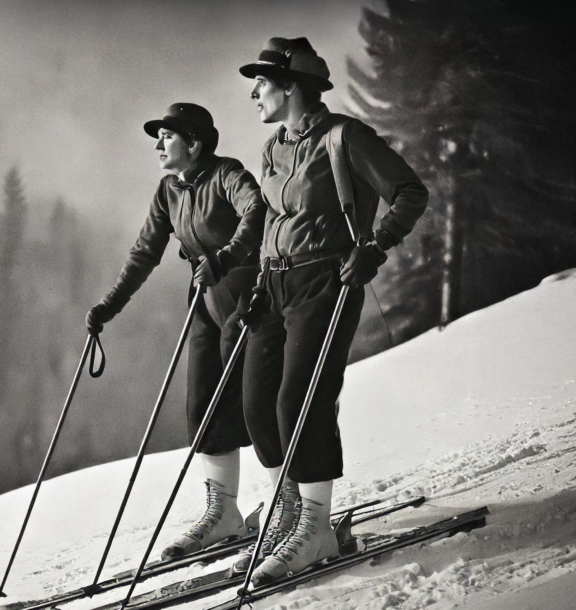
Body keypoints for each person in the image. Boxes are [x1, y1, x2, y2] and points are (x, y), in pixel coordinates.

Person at [233, 38, 429, 585]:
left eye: (263, 82)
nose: (254, 92)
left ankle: (315, 526)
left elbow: (411, 191)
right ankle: (286, 514)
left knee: (302, 400)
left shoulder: (346, 137)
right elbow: (273, 219)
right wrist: (256, 279)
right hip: (273, 287)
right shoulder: (273, 147)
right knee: (256, 406)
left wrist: (376, 244)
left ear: (292, 86)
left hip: (327, 280)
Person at [86, 103, 266, 559]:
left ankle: (291, 507)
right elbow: (145, 252)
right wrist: (109, 306)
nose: (157, 145)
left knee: (257, 401)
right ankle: (224, 512)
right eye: (157, 137)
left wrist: (224, 256)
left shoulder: (228, 174)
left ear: (195, 143)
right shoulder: (169, 190)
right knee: (202, 404)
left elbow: (256, 211)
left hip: (246, 295)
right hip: (205, 302)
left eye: (167, 136)